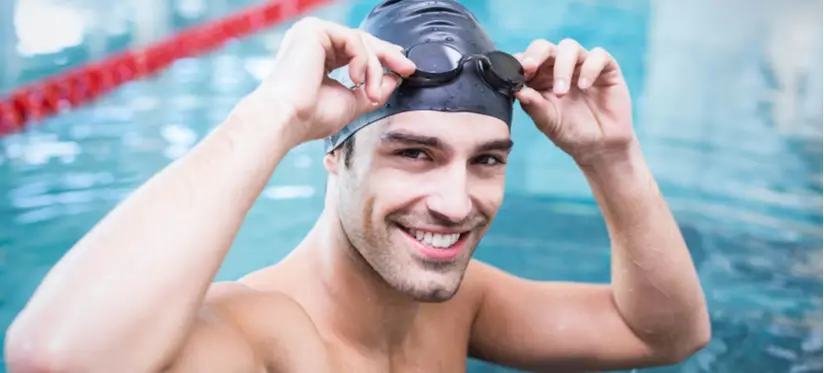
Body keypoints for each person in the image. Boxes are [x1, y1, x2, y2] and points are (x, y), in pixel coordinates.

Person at [5, 1, 711, 372]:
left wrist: (611, 156)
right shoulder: (271, 335)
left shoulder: (461, 306)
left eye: (487, 160)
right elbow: (57, 360)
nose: (456, 202)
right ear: (335, 155)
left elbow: (664, 334)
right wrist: (272, 116)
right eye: (414, 153)